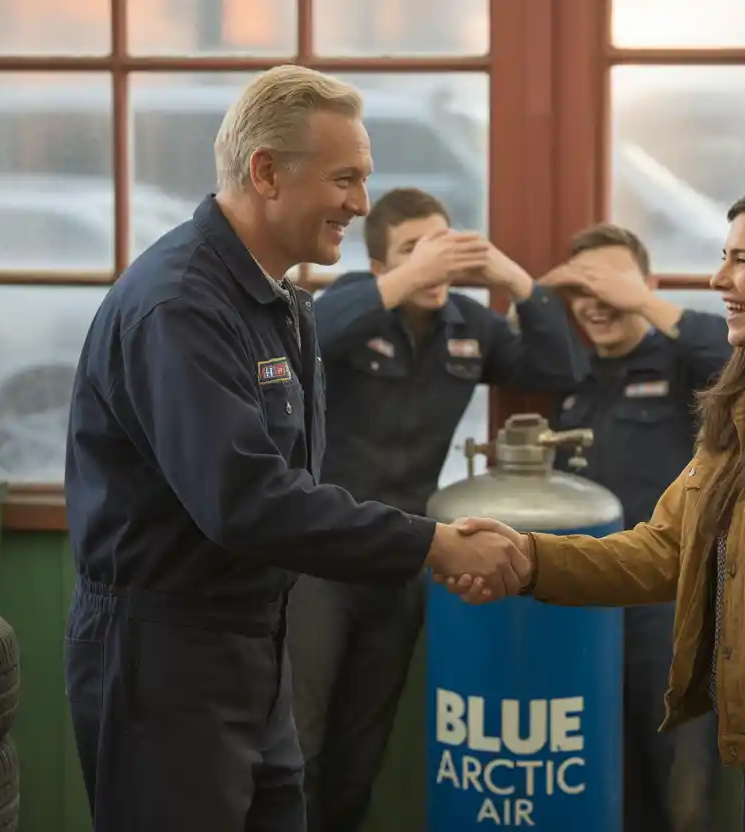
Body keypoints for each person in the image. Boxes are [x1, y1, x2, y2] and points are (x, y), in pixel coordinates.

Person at [62, 65, 530, 832]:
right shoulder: (180, 304)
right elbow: (246, 500)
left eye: (364, 178)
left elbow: (287, 482)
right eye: (344, 178)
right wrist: (432, 545)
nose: (361, 203)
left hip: (255, 641)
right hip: (166, 655)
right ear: (266, 172)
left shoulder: (283, 302)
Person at [447, 172, 745, 832]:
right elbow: (665, 549)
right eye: (722, 257)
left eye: (742, 260)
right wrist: (528, 558)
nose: (718, 280)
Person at [289, 187, 586, 832]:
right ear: (379, 268)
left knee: (361, 747)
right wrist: (407, 281)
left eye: (441, 247)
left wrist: (513, 280)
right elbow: (307, 340)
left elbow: (558, 367)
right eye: (411, 250)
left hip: (401, 556)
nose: (431, 264)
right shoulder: (345, 304)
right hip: (318, 561)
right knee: (299, 744)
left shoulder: (469, 329)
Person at [539, 222, 730, 831]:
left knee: (679, 777)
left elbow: (741, 354)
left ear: (645, 285)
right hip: (586, 597)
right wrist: (535, 290)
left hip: (668, 602)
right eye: (583, 291)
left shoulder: (685, 362)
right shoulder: (570, 372)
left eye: (612, 286)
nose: (598, 304)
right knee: (597, 767)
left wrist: (639, 299)